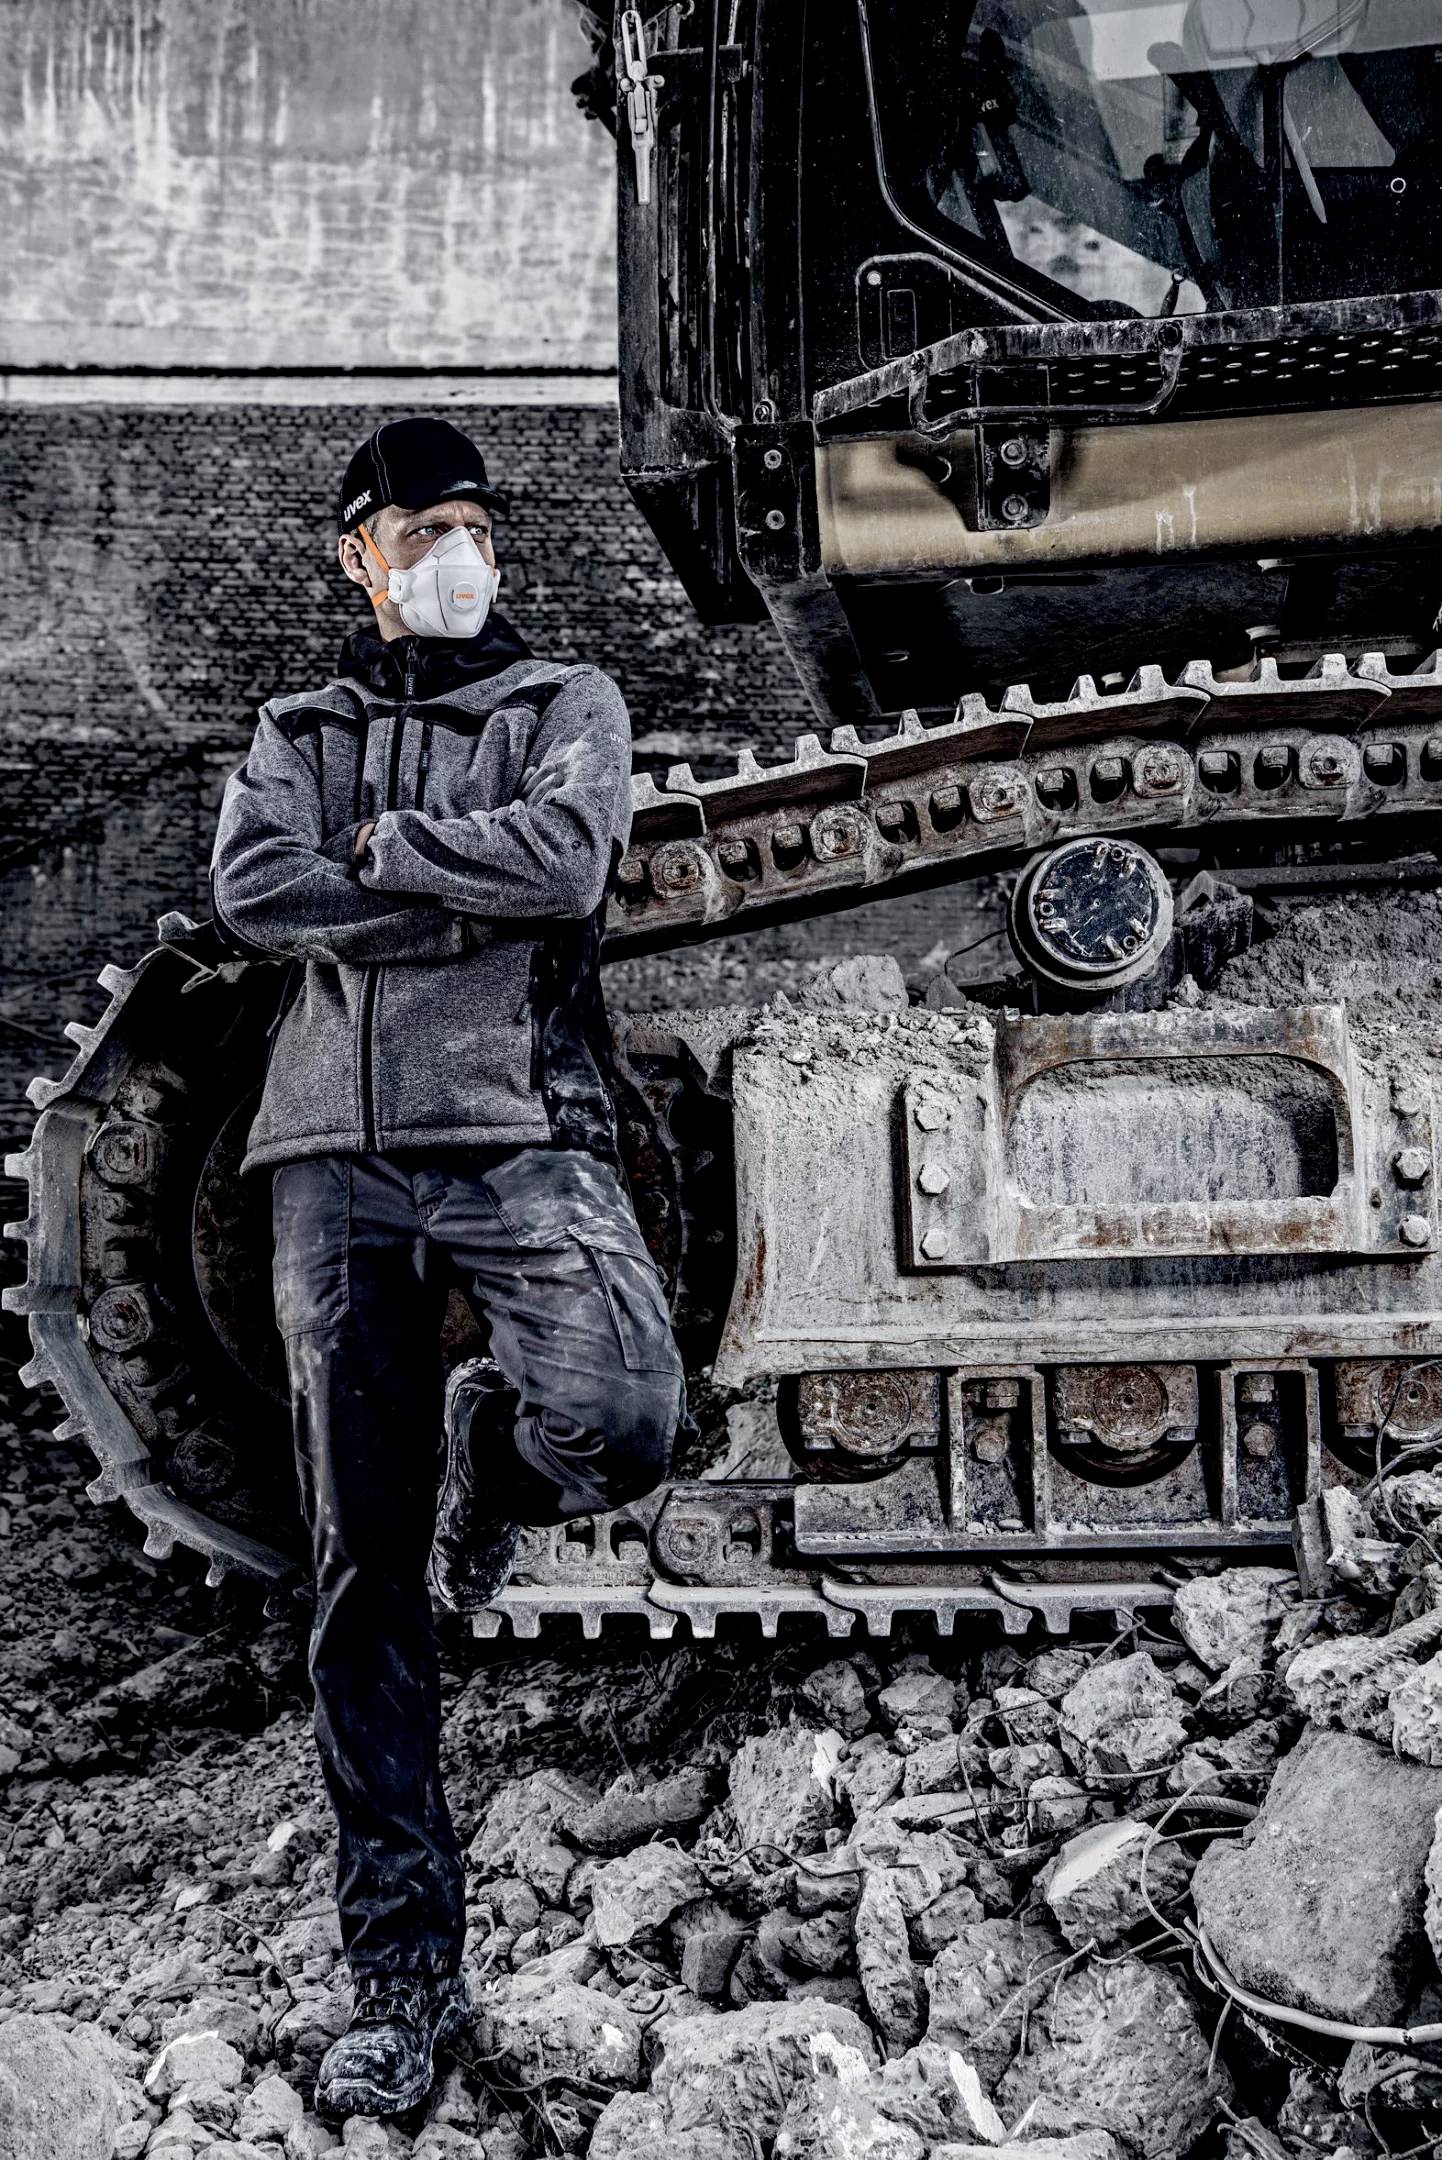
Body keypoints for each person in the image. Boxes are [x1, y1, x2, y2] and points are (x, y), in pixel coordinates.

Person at [206, 416, 692, 2120]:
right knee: (362, 1584)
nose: (454, 553)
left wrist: (385, 860)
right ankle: (400, 1978)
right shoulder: (297, 728)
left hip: (519, 1133)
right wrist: (441, 892)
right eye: (422, 527)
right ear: (360, 551)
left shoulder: (568, 705)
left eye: (475, 523)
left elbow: (567, 865)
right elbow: (257, 891)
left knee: (624, 1418)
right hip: (328, 1168)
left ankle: (490, 1451)